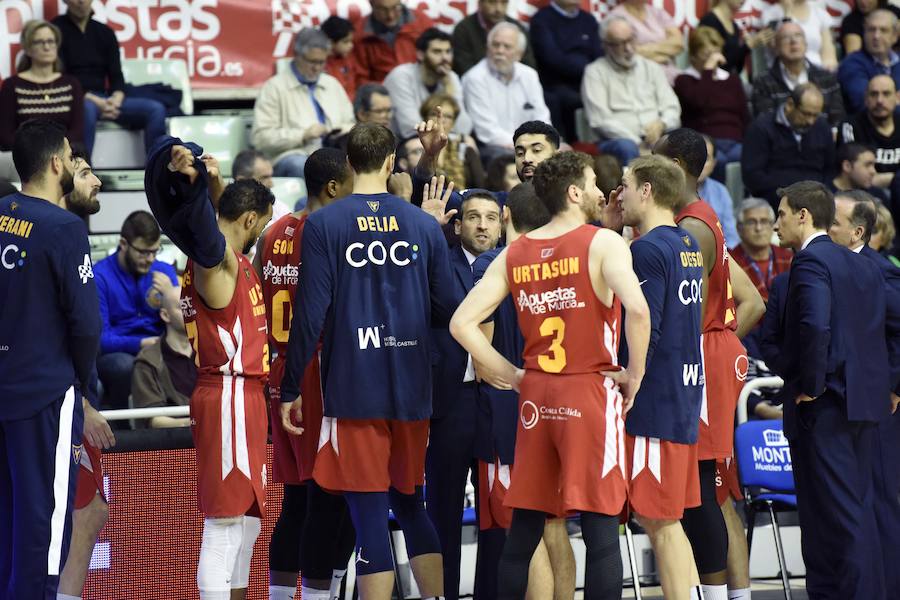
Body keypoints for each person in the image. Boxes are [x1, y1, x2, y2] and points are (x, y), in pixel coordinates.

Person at [450, 151, 651, 600]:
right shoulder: (602, 243)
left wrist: (513, 374)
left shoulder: (515, 252)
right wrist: (635, 373)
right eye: (595, 183)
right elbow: (638, 310)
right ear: (575, 192)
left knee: (523, 532)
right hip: (588, 390)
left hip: (537, 395)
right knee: (600, 533)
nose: (602, 191)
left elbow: (461, 323)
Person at [279, 123, 456, 600]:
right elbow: (451, 307)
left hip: (355, 386)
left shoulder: (324, 223)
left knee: (370, 512)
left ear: (349, 162)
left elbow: (310, 313)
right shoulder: (422, 224)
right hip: (413, 385)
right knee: (413, 507)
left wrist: (291, 388)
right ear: (390, 160)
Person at [145, 136, 274, 599]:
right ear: (251, 221)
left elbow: (224, 224)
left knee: (247, 525)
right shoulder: (215, 262)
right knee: (223, 526)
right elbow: (211, 230)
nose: (261, 234)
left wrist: (215, 182)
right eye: (261, 225)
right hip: (230, 393)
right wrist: (194, 183)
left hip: (242, 396)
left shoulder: (230, 258)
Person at [655, 128, 764, 600]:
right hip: (711, 353)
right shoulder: (700, 219)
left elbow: (685, 309)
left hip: (701, 357)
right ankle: (732, 594)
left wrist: (710, 350)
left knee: (707, 488)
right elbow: (752, 302)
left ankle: (718, 594)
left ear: (676, 165)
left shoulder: (693, 228)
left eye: (655, 162)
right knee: (712, 490)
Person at [773, 180, 892, 599]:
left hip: (828, 407)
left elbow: (816, 326)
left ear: (803, 216)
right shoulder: (861, 263)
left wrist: (812, 384)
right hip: (862, 405)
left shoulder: (810, 262)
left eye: (782, 213)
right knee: (855, 512)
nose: (776, 224)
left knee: (837, 519)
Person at [0, 119, 99, 599]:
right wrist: (77, 385)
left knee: (7, 519)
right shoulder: (64, 227)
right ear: (58, 162)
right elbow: (86, 324)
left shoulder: (0, 213)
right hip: (44, 392)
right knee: (44, 524)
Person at [253, 148, 355, 600]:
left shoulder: (272, 233)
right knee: (328, 497)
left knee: (296, 501)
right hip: (314, 372)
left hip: (278, 371)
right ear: (333, 187)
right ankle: (321, 594)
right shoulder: (330, 233)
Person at [471, 183, 574, 600]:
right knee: (555, 526)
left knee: (521, 530)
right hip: (562, 403)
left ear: (507, 215)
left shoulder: (493, 264)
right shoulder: (568, 263)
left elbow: (481, 352)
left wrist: (509, 377)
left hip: (511, 408)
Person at [618, 154, 706, 600]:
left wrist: (630, 375)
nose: (621, 193)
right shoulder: (686, 243)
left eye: (627, 184)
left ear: (648, 190)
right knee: (668, 520)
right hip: (685, 392)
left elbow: (644, 324)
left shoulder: (648, 249)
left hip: (655, 398)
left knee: (660, 521)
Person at [426, 189, 503, 600]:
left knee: (496, 511)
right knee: (444, 509)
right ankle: (445, 595)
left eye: (491, 217)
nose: (482, 225)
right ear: (457, 225)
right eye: (474, 217)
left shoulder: (513, 265)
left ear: (502, 224)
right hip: (450, 401)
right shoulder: (439, 263)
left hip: (498, 403)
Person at [828, 190, 900, 596]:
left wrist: (892, 386)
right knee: (859, 504)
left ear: (857, 231)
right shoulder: (834, 266)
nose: (826, 225)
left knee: (880, 503)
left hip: (879, 409)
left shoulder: (879, 270)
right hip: (852, 406)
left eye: (833, 221)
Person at [56, 152, 114, 600]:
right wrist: (83, 404)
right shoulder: (58, 234)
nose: (96, 181)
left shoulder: (70, 233)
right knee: (86, 511)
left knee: (90, 511)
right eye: (85, 172)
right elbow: (51, 334)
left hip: (68, 398)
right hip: (58, 404)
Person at [52, 0, 166, 159]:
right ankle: (82, 172)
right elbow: (59, 77)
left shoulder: (104, 32)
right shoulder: (55, 31)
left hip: (105, 98)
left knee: (155, 109)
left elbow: (116, 75)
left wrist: (116, 99)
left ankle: (156, 169)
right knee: (87, 108)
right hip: (75, 98)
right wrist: (93, 99)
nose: (81, 2)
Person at [93, 210, 179, 412]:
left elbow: (182, 322)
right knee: (122, 367)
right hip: (120, 353)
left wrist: (170, 295)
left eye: (154, 252)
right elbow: (100, 340)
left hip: (160, 346)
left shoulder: (164, 272)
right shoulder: (100, 276)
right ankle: (123, 433)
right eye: (143, 252)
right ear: (123, 244)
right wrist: (141, 343)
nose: (150, 259)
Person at [253, 29, 355, 178]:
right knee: (303, 166)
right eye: (312, 61)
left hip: (335, 154)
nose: (317, 68)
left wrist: (341, 130)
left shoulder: (332, 84)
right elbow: (260, 138)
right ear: (297, 56)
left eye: (321, 62)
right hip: (292, 155)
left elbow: (351, 123)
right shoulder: (274, 87)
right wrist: (303, 135)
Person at [581, 16, 681, 166]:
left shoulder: (651, 67)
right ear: (606, 46)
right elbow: (600, 121)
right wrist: (638, 142)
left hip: (657, 135)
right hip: (617, 140)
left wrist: (662, 124)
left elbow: (672, 106)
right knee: (626, 147)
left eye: (630, 40)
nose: (628, 48)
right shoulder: (594, 72)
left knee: (685, 139)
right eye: (619, 44)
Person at [462, 22, 551, 163]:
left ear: (519, 54)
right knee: (510, 160)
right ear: (487, 48)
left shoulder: (529, 75)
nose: (500, 51)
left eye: (507, 47)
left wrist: (543, 143)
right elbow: (487, 131)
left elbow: (542, 116)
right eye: (495, 45)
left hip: (529, 146)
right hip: (493, 147)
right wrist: (526, 147)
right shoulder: (475, 78)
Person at [742, 83, 834, 209]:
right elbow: (753, 176)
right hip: (776, 199)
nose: (811, 121)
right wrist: (789, 195)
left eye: (815, 115)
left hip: (816, 200)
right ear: (790, 105)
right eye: (806, 114)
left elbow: (830, 169)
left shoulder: (822, 127)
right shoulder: (762, 128)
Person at [675, 27, 750, 175]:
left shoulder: (732, 80)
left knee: (751, 157)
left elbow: (744, 115)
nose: (713, 60)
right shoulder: (684, 80)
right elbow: (699, 102)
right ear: (693, 56)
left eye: (715, 53)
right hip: (704, 143)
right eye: (707, 55)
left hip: (735, 141)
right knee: (716, 161)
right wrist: (708, 71)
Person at [0, 20, 84, 151]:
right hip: (24, 158)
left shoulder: (71, 84)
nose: (47, 47)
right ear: (27, 49)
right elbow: (6, 135)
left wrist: (53, 152)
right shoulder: (11, 85)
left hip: (62, 155)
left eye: (51, 41)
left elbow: (77, 131)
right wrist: (35, 154)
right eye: (39, 42)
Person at [529, 0, 602, 142]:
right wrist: (588, 69)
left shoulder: (589, 19)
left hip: (591, 81)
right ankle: (570, 145)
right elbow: (551, 58)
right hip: (557, 83)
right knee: (569, 100)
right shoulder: (542, 19)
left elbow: (599, 55)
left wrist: (592, 73)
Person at [751, 21, 845, 127]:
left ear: (806, 44)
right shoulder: (763, 82)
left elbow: (838, 120)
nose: (793, 41)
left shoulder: (827, 78)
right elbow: (765, 124)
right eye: (786, 37)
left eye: (798, 36)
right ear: (776, 47)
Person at [384, 28, 473, 139]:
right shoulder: (401, 76)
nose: (445, 58)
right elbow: (411, 127)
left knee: (469, 143)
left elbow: (464, 128)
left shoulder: (451, 77)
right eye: (437, 52)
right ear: (420, 54)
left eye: (448, 51)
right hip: (401, 143)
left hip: (439, 140)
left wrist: (450, 90)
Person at [130, 281, 195, 429]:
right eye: (182, 307)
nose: (190, 312)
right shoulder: (147, 361)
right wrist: (194, 424)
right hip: (174, 444)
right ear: (165, 315)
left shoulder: (212, 352)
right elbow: (153, 419)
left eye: (193, 306)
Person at [837, 75, 900, 190]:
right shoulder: (851, 125)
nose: (880, 101)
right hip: (863, 193)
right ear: (866, 99)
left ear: (897, 98)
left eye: (886, 94)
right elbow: (853, 175)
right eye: (874, 94)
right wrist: (894, 179)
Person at [353, 0, 435, 85]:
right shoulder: (359, 34)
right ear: (371, 4)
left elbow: (436, 58)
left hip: (422, 86)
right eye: (383, 10)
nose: (390, 15)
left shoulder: (422, 23)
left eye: (395, 7)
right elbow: (360, 76)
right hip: (383, 91)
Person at [838, 9, 900, 115]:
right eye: (871, 30)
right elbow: (868, 106)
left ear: (895, 36)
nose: (876, 36)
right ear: (864, 33)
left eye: (883, 30)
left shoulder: (898, 61)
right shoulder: (852, 64)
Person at [451, 0, 537, 76]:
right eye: (492, 2)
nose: (498, 9)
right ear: (480, 3)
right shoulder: (464, 29)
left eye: (503, 2)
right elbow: (465, 68)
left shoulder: (517, 29)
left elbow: (528, 65)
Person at [609, 0, 685, 83]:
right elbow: (626, 54)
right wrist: (664, 54)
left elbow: (678, 44)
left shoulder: (658, 13)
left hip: (672, 76)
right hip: (638, 79)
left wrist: (646, 49)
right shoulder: (615, 17)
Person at [418, 94, 484, 189]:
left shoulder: (466, 151)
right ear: (425, 118)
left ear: (453, 123)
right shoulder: (413, 148)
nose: (442, 120)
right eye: (435, 114)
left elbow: (480, 187)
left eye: (448, 116)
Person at [700, 0, 773, 75]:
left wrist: (745, 47)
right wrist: (748, 45)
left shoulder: (734, 26)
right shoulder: (709, 21)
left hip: (729, 82)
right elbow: (713, 64)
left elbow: (736, 67)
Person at [761, 0, 838, 70]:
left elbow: (829, 55)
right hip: (785, 73)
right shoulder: (770, 14)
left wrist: (828, 69)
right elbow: (774, 46)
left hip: (817, 72)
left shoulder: (820, 13)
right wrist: (787, 14)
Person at [696, 136, 738, 247]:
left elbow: (731, 237)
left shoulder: (721, 192)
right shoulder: (673, 188)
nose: (699, 163)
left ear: (714, 164)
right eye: (696, 156)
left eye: (706, 158)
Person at [232, 150, 292, 222]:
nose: (271, 184)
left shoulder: (280, 208)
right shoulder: (221, 212)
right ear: (241, 181)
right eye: (264, 178)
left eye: (270, 176)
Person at [322, 16, 360, 100]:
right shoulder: (322, 65)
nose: (351, 45)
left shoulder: (349, 59)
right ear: (331, 42)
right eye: (345, 42)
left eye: (351, 41)